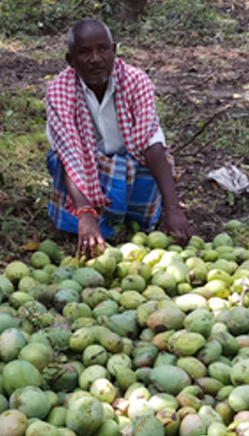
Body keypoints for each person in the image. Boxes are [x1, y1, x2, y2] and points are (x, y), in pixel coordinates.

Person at [45, 19, 190, 258]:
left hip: (131, 163)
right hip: (83, 168)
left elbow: (151, 143)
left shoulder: (136, 81)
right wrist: (84, 213)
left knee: (157, 163)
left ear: (114, 50)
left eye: (102, 49)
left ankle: (133, 222)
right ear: (71, 60)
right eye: (84, 52)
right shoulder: (60, 91)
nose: (95, 59)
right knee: (59, 161)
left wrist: (172, 208)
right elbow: (71, 155)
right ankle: (83, 226)